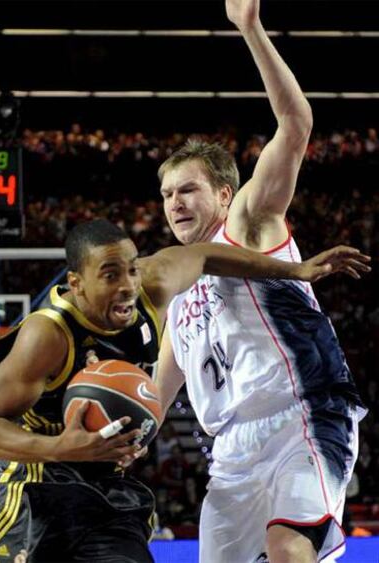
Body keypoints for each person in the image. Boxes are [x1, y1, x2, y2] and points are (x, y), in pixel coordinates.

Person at [0, 219, 365, 562]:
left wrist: (294, 271)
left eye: (131, 269)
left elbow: (208, 255)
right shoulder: (48, 334)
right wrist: (64, 448)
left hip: (104, 483)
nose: (127, 285)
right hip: (36, 482)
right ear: (77, 283)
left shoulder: (151, 288)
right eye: (110, 274)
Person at [156, 1, 371, 562]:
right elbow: (155, 396)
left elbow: (297, 124)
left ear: (224, 195)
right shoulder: (176, 299)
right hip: (229, 454)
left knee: (286, 546)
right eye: (166, 195)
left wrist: (249, 27)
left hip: (303, 411)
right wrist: (103, 444)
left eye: (187, 190)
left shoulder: (245, 222)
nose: (174, 203)